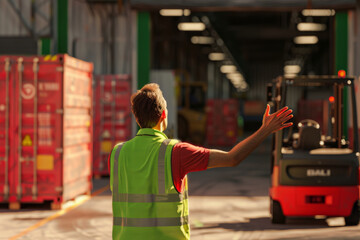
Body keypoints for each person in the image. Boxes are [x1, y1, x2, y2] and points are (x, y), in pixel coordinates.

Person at [109, 83, 293, 240]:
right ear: (164, 116)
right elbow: (232, 158)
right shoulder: (176, 152)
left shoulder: (117, 153)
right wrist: (265, 130)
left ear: (136, 117)